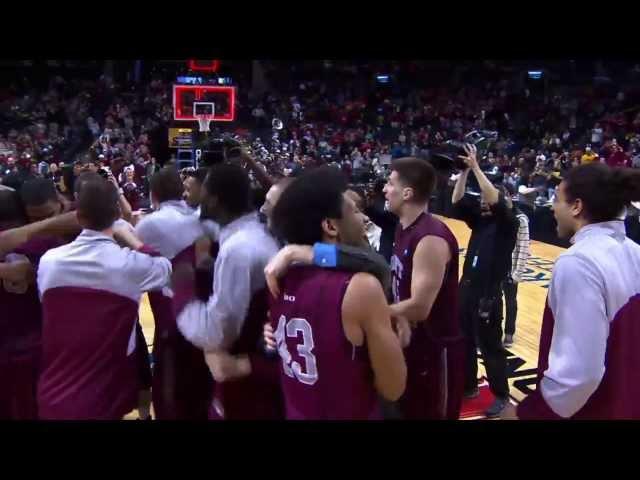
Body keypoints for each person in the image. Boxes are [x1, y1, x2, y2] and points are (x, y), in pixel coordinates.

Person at [264, 166, 406, 419]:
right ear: (330, 226)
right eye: (353, 210)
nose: (362, 218)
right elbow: (393, 387)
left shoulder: (278, 274)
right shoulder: (360, 287)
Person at [504, 164, 640, 420]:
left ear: (576, 206)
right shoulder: (635, 251)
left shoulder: (578, 262)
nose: (553, 207)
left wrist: (529, 413)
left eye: (557, 199)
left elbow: (580, 374)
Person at [37, 177, 172, 419]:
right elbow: (164, 268)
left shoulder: (49, 261)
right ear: (116, 214)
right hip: (105, 395)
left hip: (52, 393)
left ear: (77, 217)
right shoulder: (129, 265)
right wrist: (131, 238)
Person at [172, 163, 283, 420]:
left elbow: (219, 333)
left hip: (247, 386)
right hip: (259, 369)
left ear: (214, 199)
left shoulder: (239, 250)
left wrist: (182, 294)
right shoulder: (253, 234)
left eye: (204, 193)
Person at [382, 157, 465, 419]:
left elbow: (419, 307)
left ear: (407, 193)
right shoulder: (404, 227)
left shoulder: (430, 238)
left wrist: (371, 314)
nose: (385, 189)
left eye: (390, 182)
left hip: (435, 351)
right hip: (412, 345)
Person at [134, 167, 213, 420]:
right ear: (181, 191)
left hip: (170, 311)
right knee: (201, 375)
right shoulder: (200, 217)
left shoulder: (148, 224)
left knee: (170, 381)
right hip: (203, 306)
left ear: (153, 195)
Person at [451, 144, 519, 418]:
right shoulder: (481, 222)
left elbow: (496, 200)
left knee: (490, 346)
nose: (482, 201)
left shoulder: (508, 223)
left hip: (488, 295)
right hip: (466, 288)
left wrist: (477, 166)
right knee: (464, 341)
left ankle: (501, 394)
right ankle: (469, 386)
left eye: (487, 198)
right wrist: (465, 172)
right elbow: (456, 201)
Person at [502, 194, 530, 347]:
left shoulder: (521, 219)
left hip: (510, 269)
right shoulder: (498, 216)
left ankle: (509, 333)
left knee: (510, 302)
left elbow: (523, 247)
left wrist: (518, 273)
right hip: (496, 266)